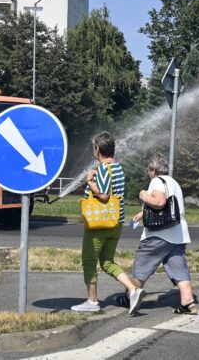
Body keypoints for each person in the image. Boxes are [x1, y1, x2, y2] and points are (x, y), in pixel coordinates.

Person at [72, 131, 143, 315]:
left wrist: (89, 182)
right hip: (115, 223)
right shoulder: (118, 168)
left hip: (99, 223)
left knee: (89, 261)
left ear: (97, 149)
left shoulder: (103, 169)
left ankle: (92, 301)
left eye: (93, 148)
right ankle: (133, 290)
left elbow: (103, 195)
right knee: (107, 262)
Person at [126, 153, 198, 315]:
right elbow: (170, 207)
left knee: (142, 264)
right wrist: (143, 213)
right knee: (178, 267)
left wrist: (144, 195)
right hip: (178, 234)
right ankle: (188, 302)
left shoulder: (156, 181)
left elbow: (159, 202)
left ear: (153, 170)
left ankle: (131, 294)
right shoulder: (173, 182)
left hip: (159, 235)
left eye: (148, 170)